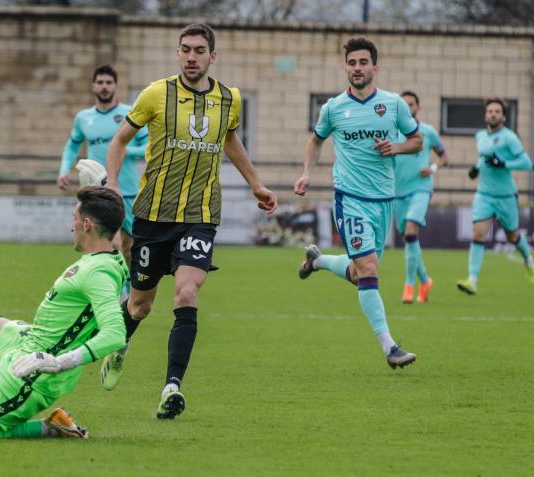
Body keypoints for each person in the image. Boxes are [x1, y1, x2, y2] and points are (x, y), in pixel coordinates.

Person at [101, 23, 278, 419]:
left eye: (200, 50)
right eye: (185, 50)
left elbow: (230, 140)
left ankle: (171, 388)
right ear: (177, 53)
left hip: (200, 215)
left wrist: (257, 185)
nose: (192, 57)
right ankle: (119, 346)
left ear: (213, 56)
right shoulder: (155, 94)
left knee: (186, 293)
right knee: (140, 305)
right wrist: (112, 184)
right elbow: (119, 141)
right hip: (152, 215)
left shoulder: (229, 99)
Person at [0, 186, 128, 439]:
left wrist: (58, 362)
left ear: (87, 224)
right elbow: (115, 231)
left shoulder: (97, 273)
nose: (70, 225)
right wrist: (100, 185)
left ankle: (48, 428)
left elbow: (116, 334)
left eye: (74, 218)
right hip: (29, 342)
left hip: (31, 377)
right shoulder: (110, 253)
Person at [294, 37, 422, 369]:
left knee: (356, 273)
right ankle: (390, 348)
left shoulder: (394, 105)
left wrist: (395, 148)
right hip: (350, 199)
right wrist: (307, 173)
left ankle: (318, 261)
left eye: (363, 62)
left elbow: (417, 140)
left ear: (375, 68)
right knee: (368, 270)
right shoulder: (334, 108)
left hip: (384, 201)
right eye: (352, 63)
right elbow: (315, 140)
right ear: (346, 68)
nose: (357, 68)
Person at [58, 65, 149, 270]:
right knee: (110, 243)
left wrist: (129, 151)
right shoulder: (83, 118)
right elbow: (72, 146)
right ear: (93, 86)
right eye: (100, 82)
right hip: (99, 194)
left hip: (128, 192)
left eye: (109, 83)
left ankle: (129, 292)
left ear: (115, 86)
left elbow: (149, 147)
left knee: (130, 248)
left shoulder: (129, 114)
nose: (104, 87)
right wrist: (64, 169)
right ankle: (114, 292)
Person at [457, 98, 534, 294]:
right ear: (485, 115)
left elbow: (526, 162)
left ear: (503, 116)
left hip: (506, 196)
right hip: (484, 194)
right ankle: (472, 280)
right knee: (477, 233)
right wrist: (475, 168)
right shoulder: (480, 136)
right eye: (490, 111)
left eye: (497, 111)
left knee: (513, 236)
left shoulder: (509, 137)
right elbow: (483, 157)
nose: (493, 114)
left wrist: (504, 164)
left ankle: (529, 260)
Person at [393, 91, 449, 304]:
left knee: (410, 231)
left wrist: (433, 167)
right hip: (398, 193)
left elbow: (444, 156)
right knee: (410, 240)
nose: (408, 107)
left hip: (421, 189)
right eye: (404, 104)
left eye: (411, 104)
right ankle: (425, 280)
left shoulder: (427, 132)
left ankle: (409, 285)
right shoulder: (393, 131)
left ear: (418, 107)